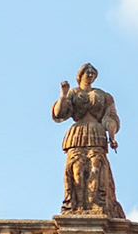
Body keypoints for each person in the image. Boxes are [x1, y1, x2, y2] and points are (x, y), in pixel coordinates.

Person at [53, 64, 124, 217]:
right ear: (81, 74)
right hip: (77, 134)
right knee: (76, 170)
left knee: (96, 168)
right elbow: (59, 114)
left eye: (93, 72)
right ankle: (76, 205)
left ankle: (94, 204)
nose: (90, 74)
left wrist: (112, 137)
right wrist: (63, 95)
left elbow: (111, 117)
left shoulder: (103, 95)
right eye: (87, 71)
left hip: (96, 134)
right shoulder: (73, 93)